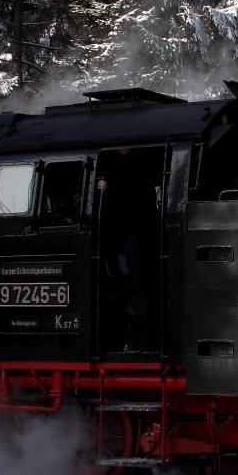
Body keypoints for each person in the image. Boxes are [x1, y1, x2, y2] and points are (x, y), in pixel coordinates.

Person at [96, 147, 160, 352]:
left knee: (138, 287)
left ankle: (142, 338)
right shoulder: (114, 163)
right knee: (126, 287)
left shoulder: (137, 164)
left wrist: (107, 189)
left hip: (135, 234)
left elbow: (131, 198)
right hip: (121, 235)